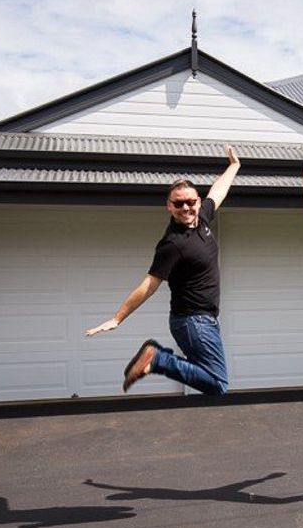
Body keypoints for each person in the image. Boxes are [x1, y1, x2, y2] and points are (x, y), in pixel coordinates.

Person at [85, 146, 241, 395]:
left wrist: (234, 166)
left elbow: (218, 191)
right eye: (179, 204)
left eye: (191, 202)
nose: (186, 208)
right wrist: (117, 318)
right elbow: (149, 285)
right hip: (193, 321)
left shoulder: (202, 219)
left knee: (215, 380)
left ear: (198, 202)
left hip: (205, 320)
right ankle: (158, 359)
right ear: (169, 206)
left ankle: (157, 359)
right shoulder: (173, 244)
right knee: (218, 384)